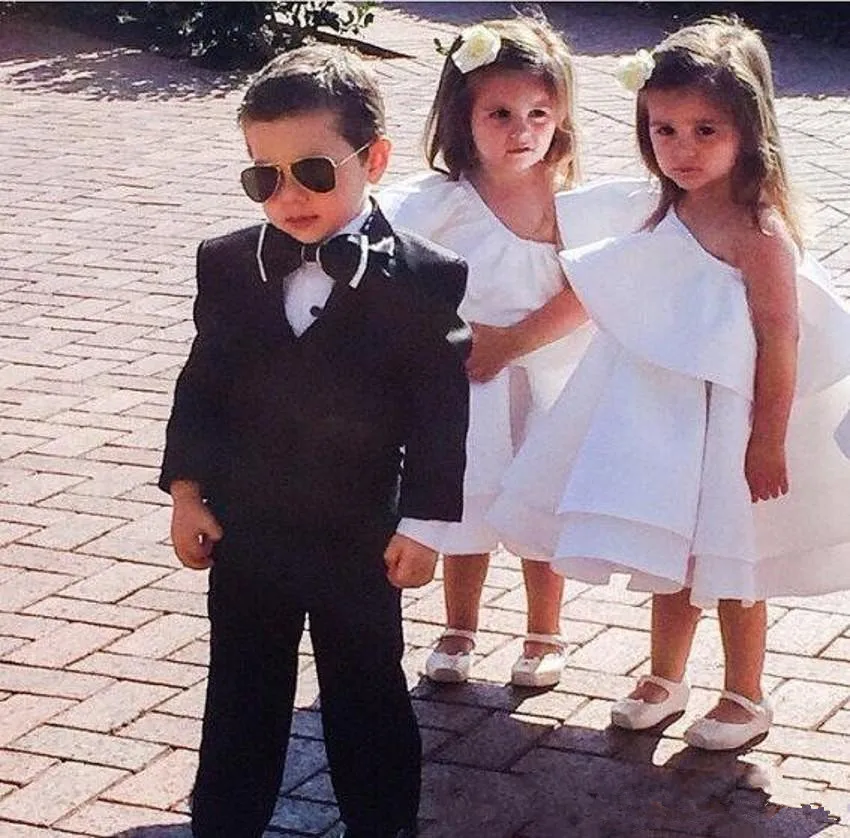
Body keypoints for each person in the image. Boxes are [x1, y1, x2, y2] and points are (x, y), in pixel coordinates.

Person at [489, 15, 850, 750]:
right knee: (673, 550)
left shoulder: (759, 233)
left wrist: (767, 439)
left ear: (749, 130)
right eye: (665, 131)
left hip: (732, 420)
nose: (682, 149)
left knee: (731, 553)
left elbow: (780, 339)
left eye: (705, 130)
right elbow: (609, 291)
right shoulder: (660, 208)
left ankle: (745, 692)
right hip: (664, 419)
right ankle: (665, 674)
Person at [159, 45, 471, 838]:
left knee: (366, 692)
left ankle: (383, 823)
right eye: (264, 177)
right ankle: (224, 825)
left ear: (375, 159)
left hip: (361, 535)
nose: (288, 195)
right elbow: (203, 385)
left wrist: (426, 525)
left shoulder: (424, 277)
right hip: (248, 527)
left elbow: (441, 410)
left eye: (314, 171)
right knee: (240, 695)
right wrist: (188, 493)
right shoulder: (229, 263)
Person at [380, 15, 654, 688]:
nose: (522, 130)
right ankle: (459, 625)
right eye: (499, 113)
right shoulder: (439, 205)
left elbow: (592, 291)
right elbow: (405, 287)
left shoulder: (576, 206)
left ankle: (543, 630)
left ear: (560, 118)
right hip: (467, 377)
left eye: (538, 113)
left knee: (541, 505)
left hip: (550, 374)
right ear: (461, 115)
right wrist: (455, 345)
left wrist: (516, 341)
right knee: (464, 500)